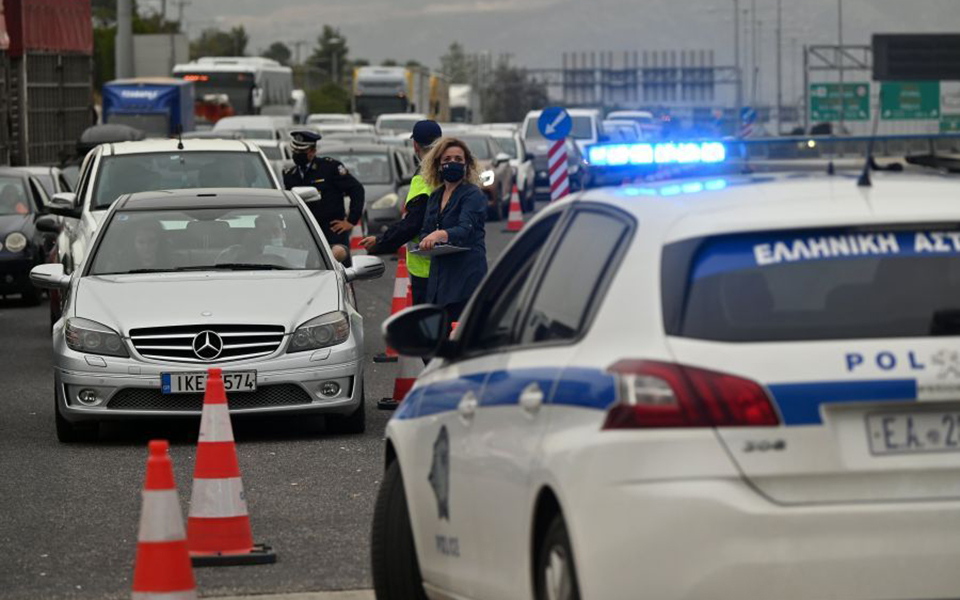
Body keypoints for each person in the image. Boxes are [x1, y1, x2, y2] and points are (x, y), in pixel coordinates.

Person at [360, 120, 442, 304]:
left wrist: (381, 241)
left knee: (428, 324)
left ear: (415, 145)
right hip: (451, 265)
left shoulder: (424, 177)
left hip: (427, 266)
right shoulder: (450, 169)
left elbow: (413, 223)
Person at [417, 137, 488, 321]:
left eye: (458, 159)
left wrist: (440, 234)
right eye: (447, 160)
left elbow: (465, 229)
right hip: (440, 278)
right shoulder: (435, 196)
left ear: (467, 165)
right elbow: (426, 230)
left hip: (466, 277)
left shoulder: (473, 194)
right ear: (439, 165)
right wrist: (427, 241)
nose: (452, 163)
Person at [283, 130, 365, 258]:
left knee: (339, 271)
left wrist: (350, 221)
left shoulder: (329, 168)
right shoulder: (289, 175)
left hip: (331, 231)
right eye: (295, 151)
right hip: (304, 233)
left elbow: (357, 189)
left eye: (302, 152)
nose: (297, 155)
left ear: (312, 151)